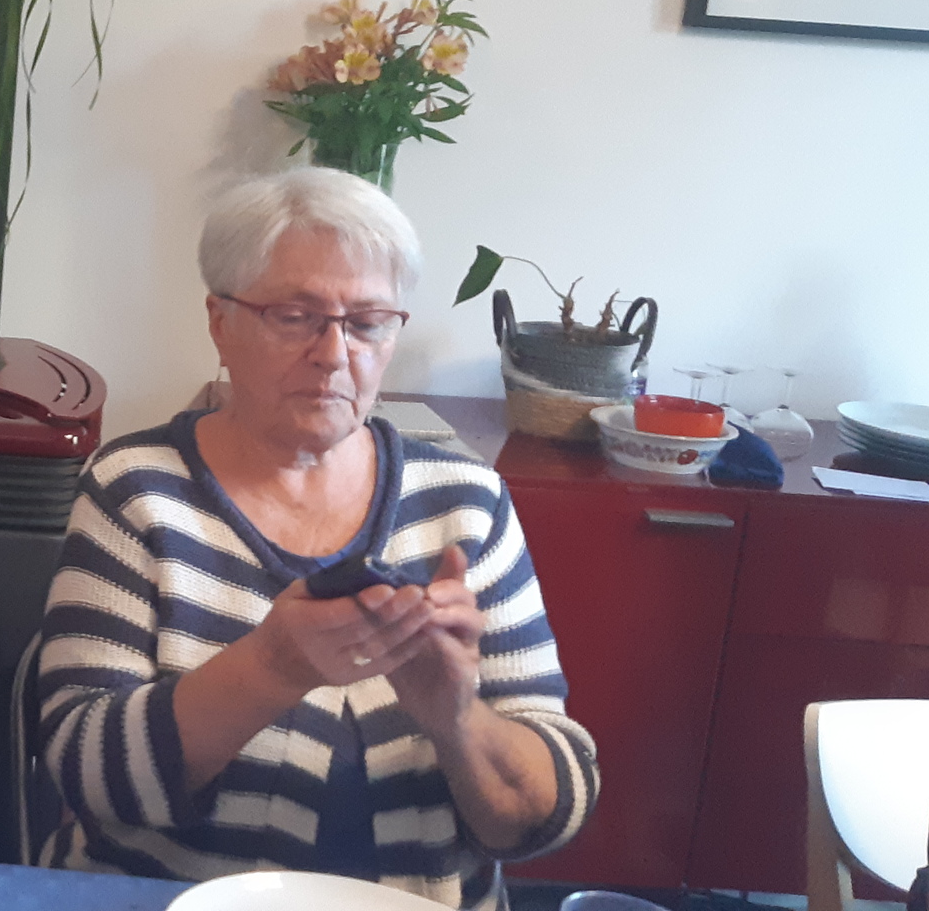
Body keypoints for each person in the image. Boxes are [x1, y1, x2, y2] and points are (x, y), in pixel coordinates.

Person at [33, 167, 599, 909]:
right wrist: (272, 667)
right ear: (220, 323)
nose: (334, 353)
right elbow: (84, 772)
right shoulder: (138, 490)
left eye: (367, 322)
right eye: (295, 316)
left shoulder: (465, 503)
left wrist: (456, 719)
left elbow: (547, 815)